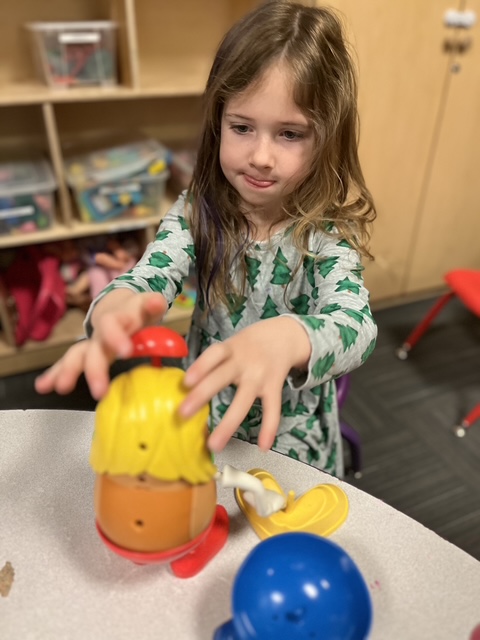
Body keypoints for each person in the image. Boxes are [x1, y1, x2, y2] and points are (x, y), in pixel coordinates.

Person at [35, 1, 377, 478]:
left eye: (290, 134)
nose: (261, 156)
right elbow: (151, 275)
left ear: (328, 137)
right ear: (218, 122)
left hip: (289, 438)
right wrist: (117, 307)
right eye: (242, 127)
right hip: (204, 409)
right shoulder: (198, 209)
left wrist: (292, 336)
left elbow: (357, 326)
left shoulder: (327, 235)